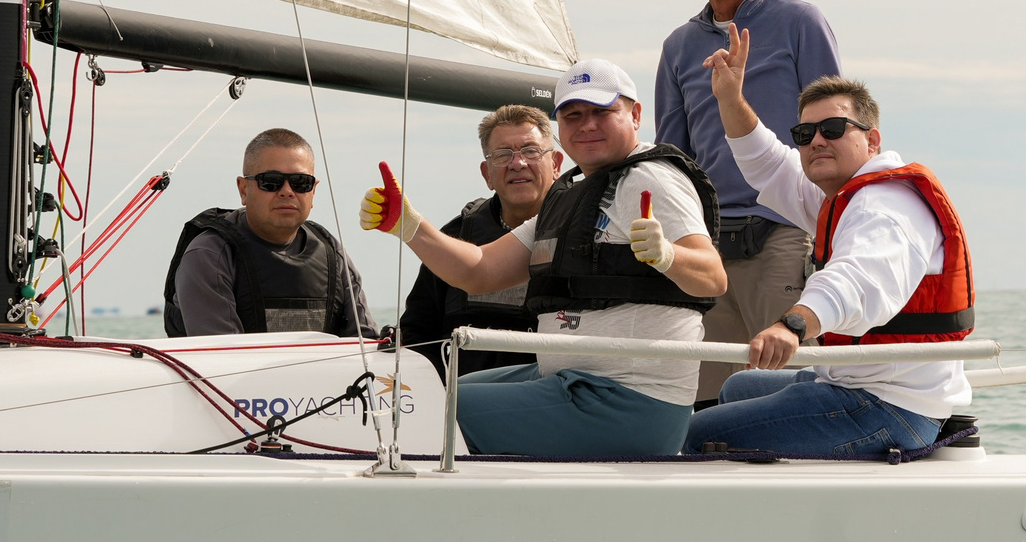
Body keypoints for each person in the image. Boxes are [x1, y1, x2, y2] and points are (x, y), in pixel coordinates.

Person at [362, 60, 727, 458]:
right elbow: (478, 270)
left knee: (430, 409)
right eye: (573, 115)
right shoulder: (573, 194)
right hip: (575, 381)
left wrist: (668, 255)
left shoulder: (649, 178)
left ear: (635, 115)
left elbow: (713, 278)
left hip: (627, 401)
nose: (587, 124)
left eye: (602, 112)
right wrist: (409, 226)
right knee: (434, 389)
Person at [684, 26, 973, 460]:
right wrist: (729, 98)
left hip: (887, 406)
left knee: (692, 435)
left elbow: (860, 280)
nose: (817, 140)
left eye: (834, 129)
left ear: (872, 139)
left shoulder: (884, 206)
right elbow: (767, 163)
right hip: (857, 382)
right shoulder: (838, 197)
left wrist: (793, 324)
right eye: (805, 134)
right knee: (738, 385)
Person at [653, 0, 842, 403]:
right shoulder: (677, 47)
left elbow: (836, 122)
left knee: (791, 386)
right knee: (709, 397)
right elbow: (673, 159)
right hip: (709, 246)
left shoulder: (800, 20)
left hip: (784, 233)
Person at [395, 105, 564, 380]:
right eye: (503, 155)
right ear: (487, 174)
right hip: (460, 410)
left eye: (530, 151)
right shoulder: (455, 239)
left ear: (556, 164)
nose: (517, 163)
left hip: (553, 403)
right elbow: (417, 336)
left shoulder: (581, 236)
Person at [163, 129, 372, 337]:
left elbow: (367, 343)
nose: (287, 191)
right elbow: (223, 357)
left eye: (301, 182)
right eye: (271, 181)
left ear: (313, 191)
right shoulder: (209, 255)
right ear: (243, 189)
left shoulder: (331, 252)